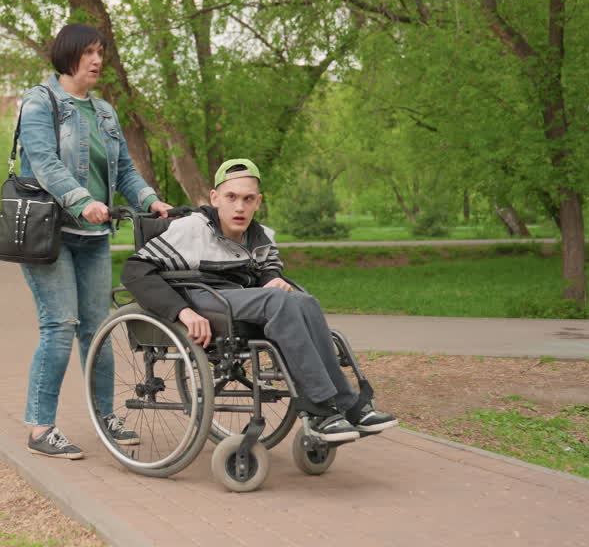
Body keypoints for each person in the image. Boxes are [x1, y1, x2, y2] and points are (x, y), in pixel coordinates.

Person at [121, 159, 397, 443]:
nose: (239, 207)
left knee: (304, 301)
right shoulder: (191, 229)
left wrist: (272, 280)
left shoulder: (259, 235)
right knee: (280, 302)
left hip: (239, 298)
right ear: (215, 198)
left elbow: (268, 271)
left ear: (258, 202)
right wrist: (182, 312)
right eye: (231, 197)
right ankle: (321, 409)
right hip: (199, 296)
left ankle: (347, 405)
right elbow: (134, 270)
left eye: (248, 199)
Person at [17, 23, 172, 460]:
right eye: (88, 52)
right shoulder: (39, 102)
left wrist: (149, 199)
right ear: (67, 55)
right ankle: (40, 427)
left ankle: (106, 417)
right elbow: (44, 163)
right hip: (49, 235)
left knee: (98, 330)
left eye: (101, 52)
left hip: (95, 236)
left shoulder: (104, 111)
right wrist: (81, 200)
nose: (97, 60)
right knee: (60, 327)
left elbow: (122, 169)